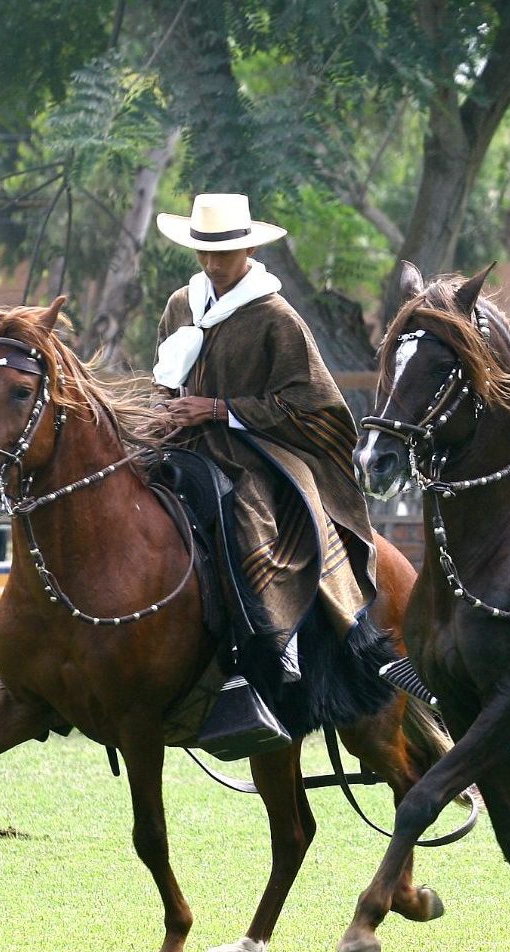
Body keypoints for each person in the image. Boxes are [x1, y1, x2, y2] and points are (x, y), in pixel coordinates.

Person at [153, 192, 386, 681]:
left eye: (224, 252)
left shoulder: (277, 318)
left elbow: (314, 405)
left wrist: (218, 410)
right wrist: (164, 411)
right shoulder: (180, 304)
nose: (213, 263)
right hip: (177, 443)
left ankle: (281, 638)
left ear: (250, 252)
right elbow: (164, 374)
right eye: (204, 251)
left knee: (251, 516)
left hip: (253, 453)